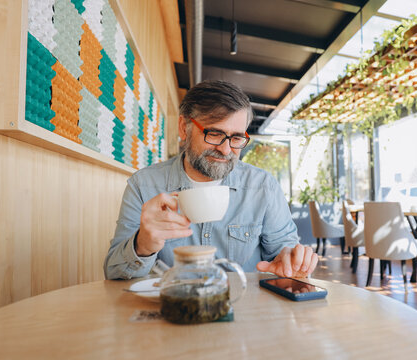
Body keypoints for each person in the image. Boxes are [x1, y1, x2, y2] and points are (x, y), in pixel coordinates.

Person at [104, 80, 318, 280]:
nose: (225, 149)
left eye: (236, 138)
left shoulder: (263, 186)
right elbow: (113, 272)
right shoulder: (143, 186)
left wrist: (294, 261)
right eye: (214, 134)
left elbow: (285, 252)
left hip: (246, 312)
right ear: (183, 128)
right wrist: (142, 245)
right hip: (174, 310)